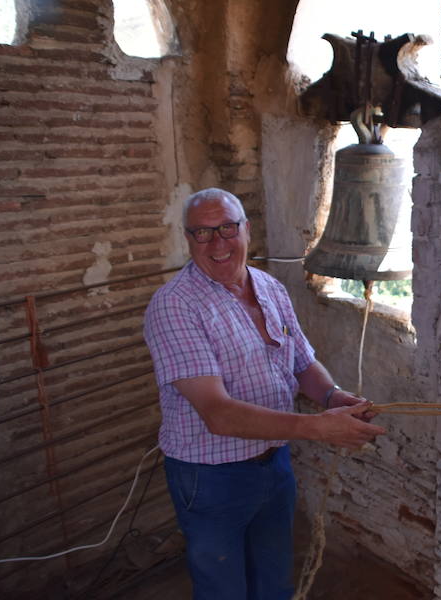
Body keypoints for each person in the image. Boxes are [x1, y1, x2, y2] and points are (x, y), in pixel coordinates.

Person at [143, 187, 385, 599]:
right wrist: (319, 429)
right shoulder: (175, 306)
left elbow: (301, 362)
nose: (217, 243)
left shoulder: (269, 287)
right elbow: (218, 414)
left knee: (274, 580)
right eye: (202, 233)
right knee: (224, 588)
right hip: (211, 476)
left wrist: (330, 397)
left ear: (246, 230)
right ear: (188, 240)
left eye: (226, 229)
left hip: (275, 465)